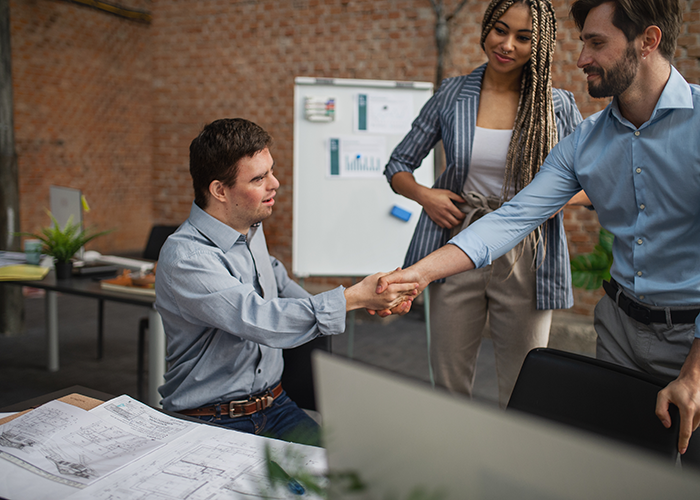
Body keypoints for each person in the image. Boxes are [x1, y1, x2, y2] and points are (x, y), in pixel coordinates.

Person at [377, 0, 700, 456]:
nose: (581, 57)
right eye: (583, 41)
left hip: (693, 337)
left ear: (648, 41)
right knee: (621, 464)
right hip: (618, 327)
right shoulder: (585, 140)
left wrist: (696, 371)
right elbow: (511, 218)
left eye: (596, 43)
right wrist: (418, 274)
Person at [155, 118, 416, 446]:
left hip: (275, 405)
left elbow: (275, 279)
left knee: (347, 478)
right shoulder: (187, 257)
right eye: (259, 178)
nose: (275, 183)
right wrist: (352, 299)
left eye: (271, 171)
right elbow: (261, 320)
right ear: (220, 190)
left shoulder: (249, 228)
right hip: (213, 417)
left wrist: (372, 297)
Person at [384, 0, 584, 406]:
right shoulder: (453, 94)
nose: (507, 44)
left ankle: (513, 463)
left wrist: (545, 203)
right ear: (486, 29)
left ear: (540, 43)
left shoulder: (555, 105)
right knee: (449, 381)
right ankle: (453, 459)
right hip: (457, 240)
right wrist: (426, 195)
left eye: (523, 37)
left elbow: (592, 182)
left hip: (528, 249)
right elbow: (398, 164)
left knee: (524, 382)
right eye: (499, 30)